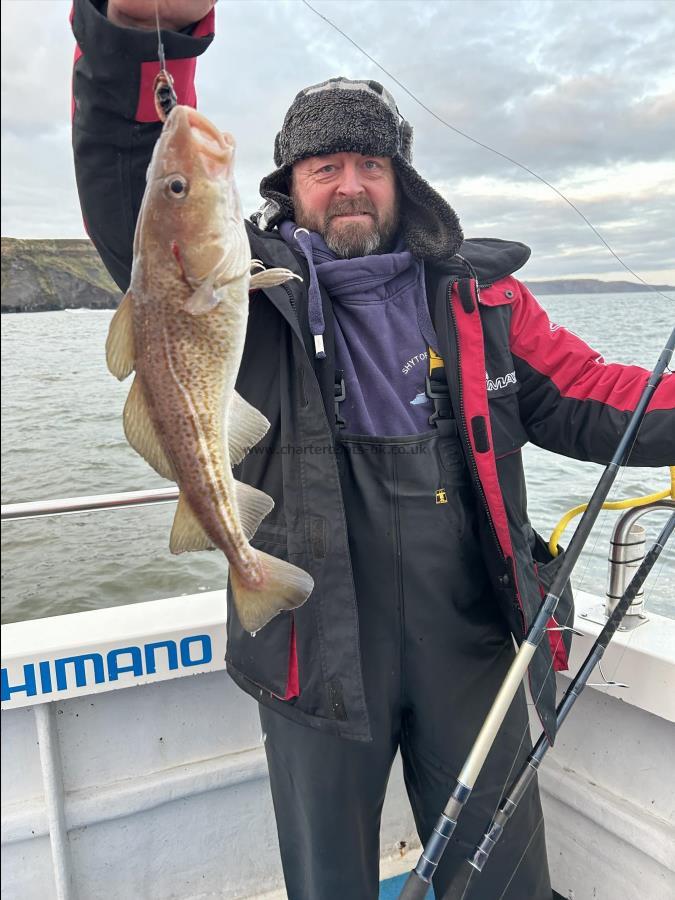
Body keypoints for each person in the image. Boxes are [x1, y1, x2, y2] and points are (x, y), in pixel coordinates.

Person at [70, 2, 674, 898]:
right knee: (329, 883)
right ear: (288, 186)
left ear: (401, 181)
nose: (349, 184)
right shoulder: (242, 291)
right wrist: (144, 36)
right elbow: (137, 179)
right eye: (324, 167)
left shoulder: (484, 302)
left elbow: (600, 402)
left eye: (369, 164)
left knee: (503, 882)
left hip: (474, 636)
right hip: (310, 644)